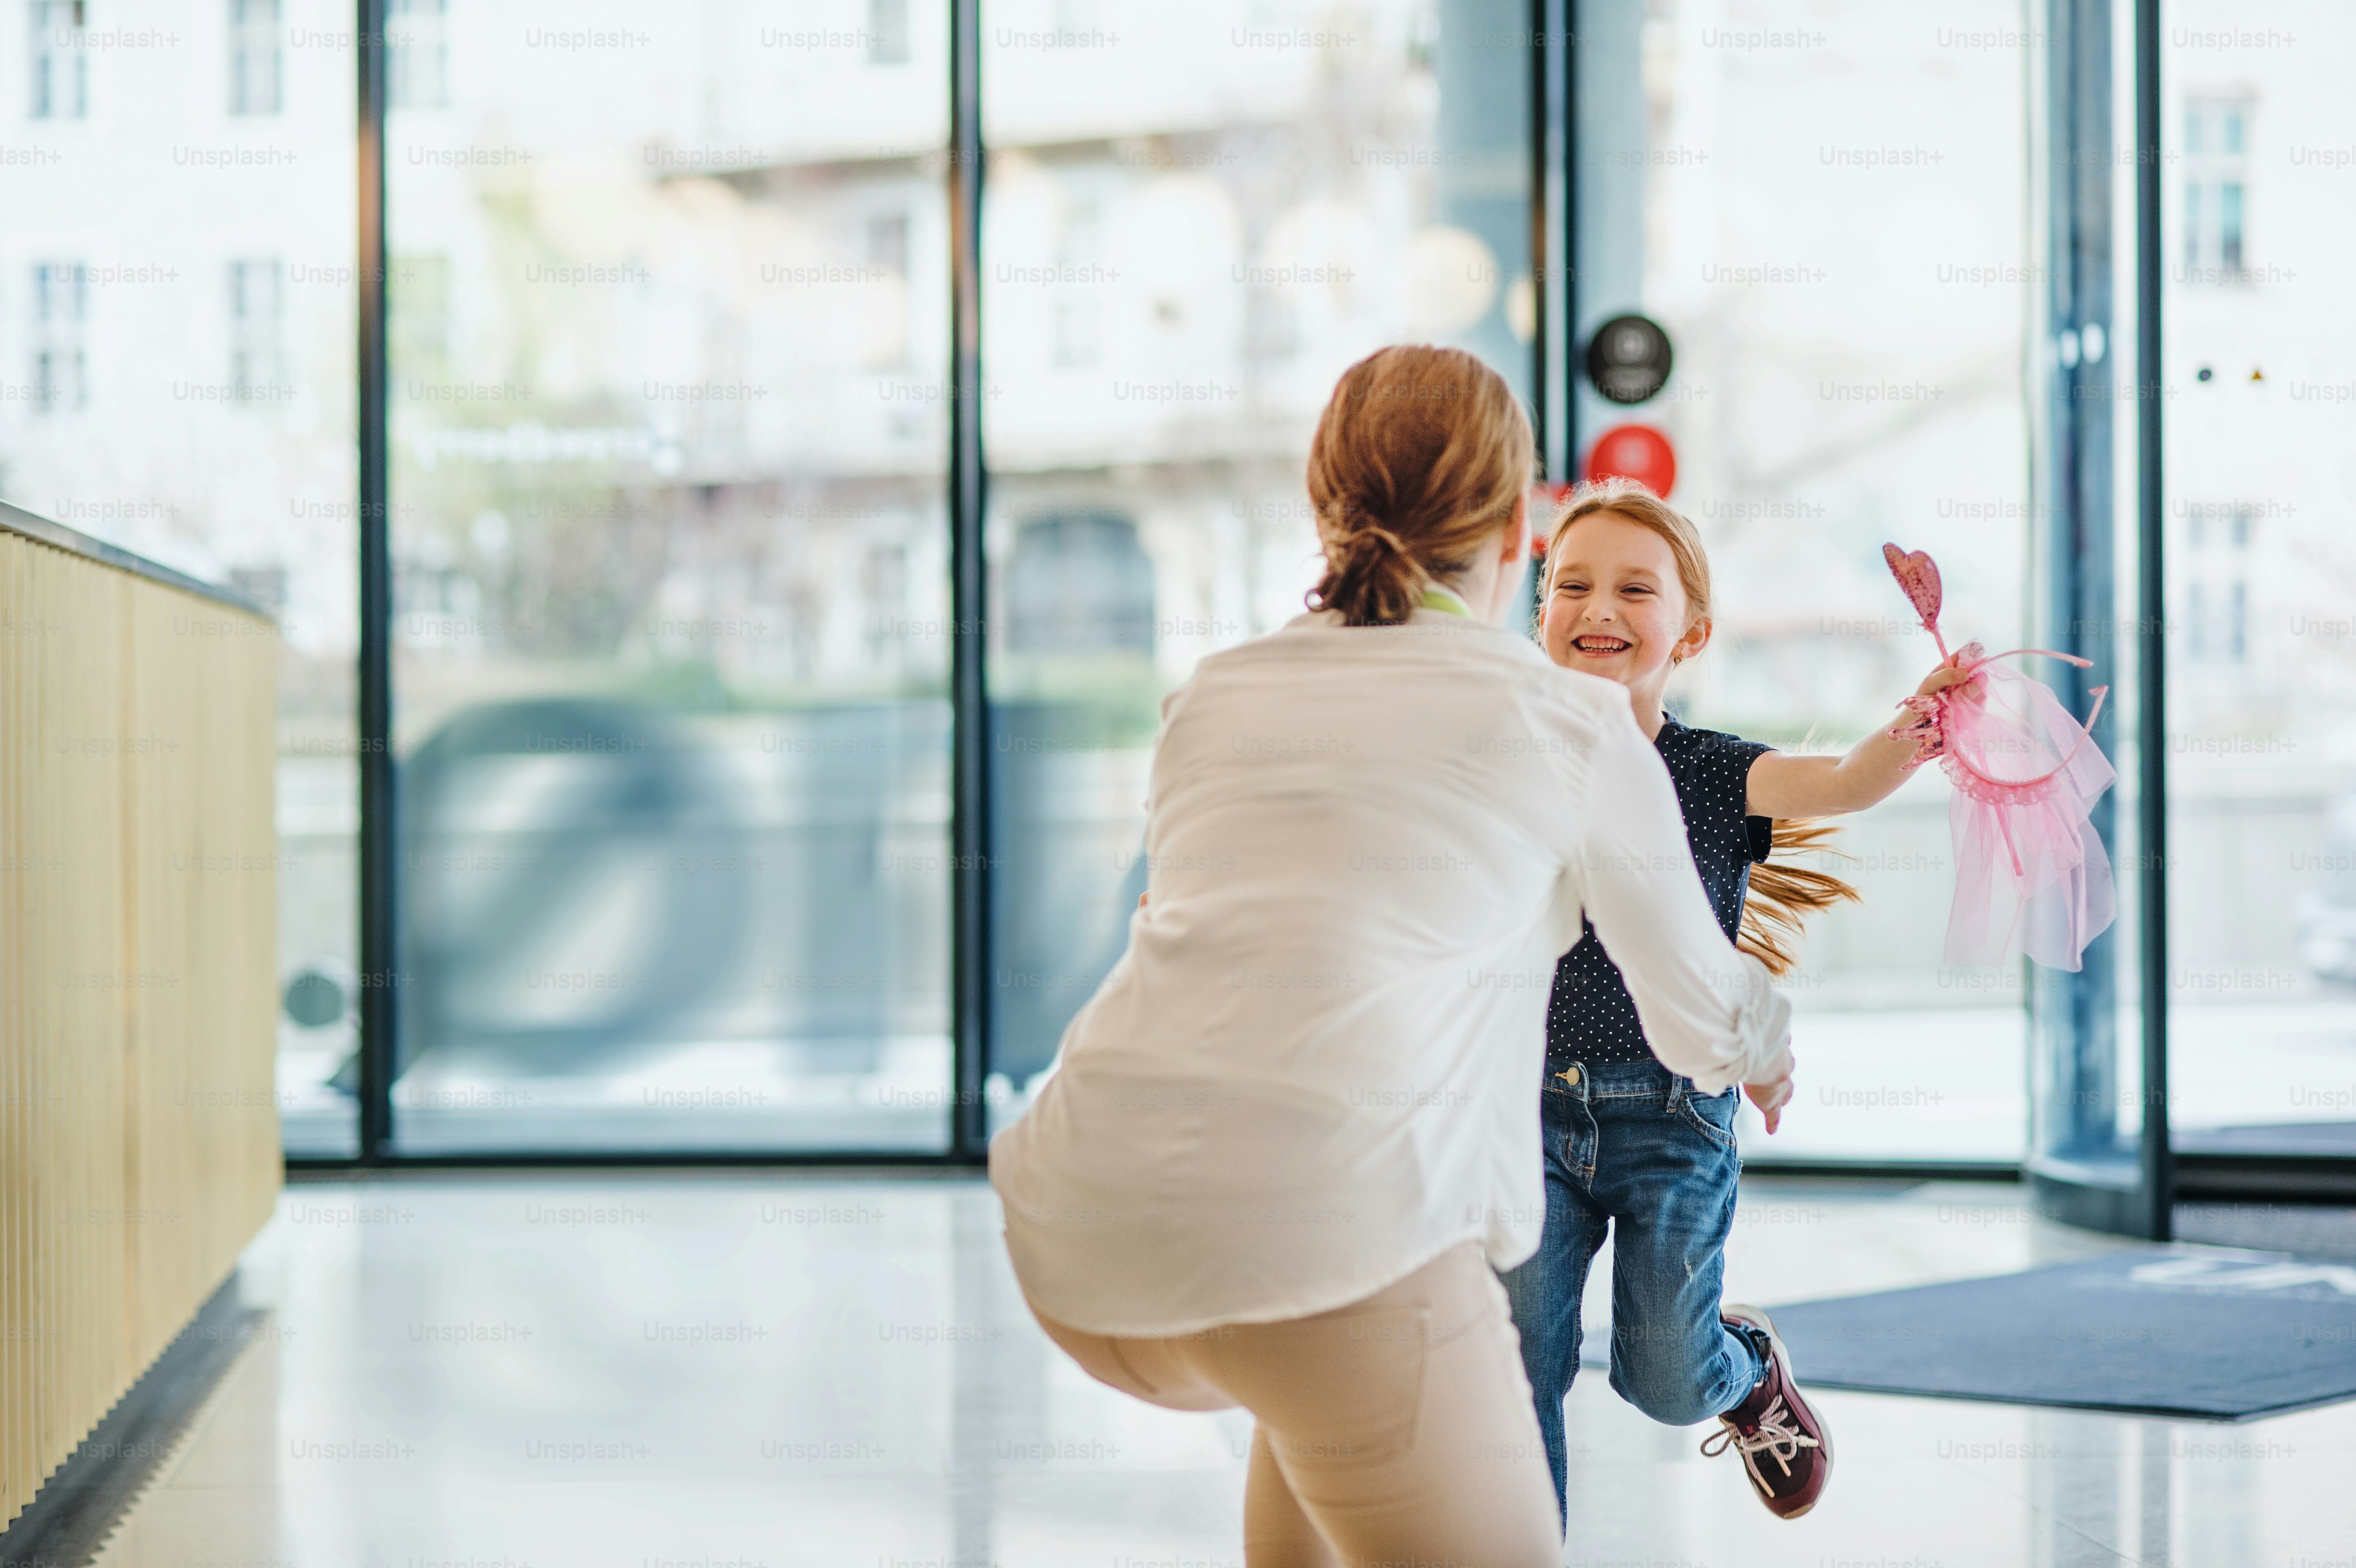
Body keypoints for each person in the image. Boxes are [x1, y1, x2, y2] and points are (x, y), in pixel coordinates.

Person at [987, 349, 1794, 1568]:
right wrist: (1765, 1050)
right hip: (1322, 1239)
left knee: (1304, 1386)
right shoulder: (1567, 722)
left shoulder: (1215, 690)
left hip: (1076, 1233)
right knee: (1323, 1317)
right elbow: (1694, 1017)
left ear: (1324, 500)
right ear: (1522, 525)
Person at [1503, 478, 1970, 1524]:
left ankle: (1747, 1370)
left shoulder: (1708, 769)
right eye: (1571, 584)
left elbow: (1845, 781)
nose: (1600, 608)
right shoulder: (1511, 760)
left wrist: (1920, 715)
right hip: (1524, 1112)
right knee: (1512, 1374)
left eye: (1636, 588)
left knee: (1665, 1376)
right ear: (1539, 613)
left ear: (1693, 629)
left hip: (1672, 1113)